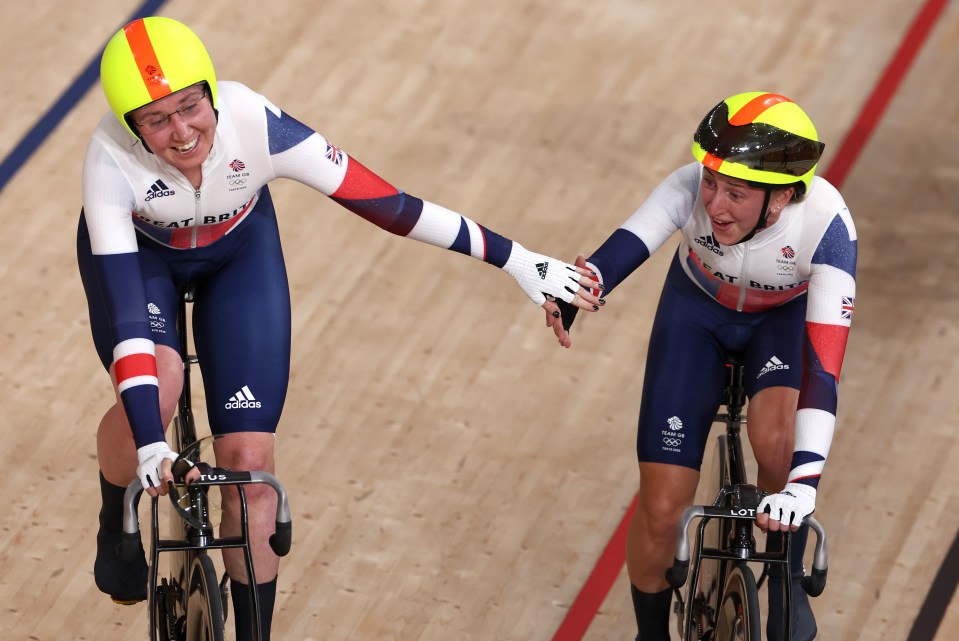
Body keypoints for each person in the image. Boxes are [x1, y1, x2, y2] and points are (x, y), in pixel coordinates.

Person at [79, 16, 603, 641]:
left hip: (236, 255)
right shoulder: (108, 160)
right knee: (158, 382)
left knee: (249, 468)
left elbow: (392, 207)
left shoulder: (255, 123)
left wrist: (516, 259)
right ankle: (117, 515)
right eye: (158, 120)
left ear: (211, 93)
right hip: (143, 260)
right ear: (131, 124)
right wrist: (149, 444)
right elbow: (132, 328)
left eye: (191, 107)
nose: (183, 131)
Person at [547, 92, 856, 641]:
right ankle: (651, 634)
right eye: (711, 183)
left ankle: (782, 570)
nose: (714, 205)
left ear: (782, 196)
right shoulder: (688, 186)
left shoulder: (828, 226)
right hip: (695, 315)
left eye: (735, 193)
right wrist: (577, 290)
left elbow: (824, 372)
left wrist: (803, 489)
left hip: (779, 324)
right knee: (663, 510)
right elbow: (621, 250)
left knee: (777, 445)